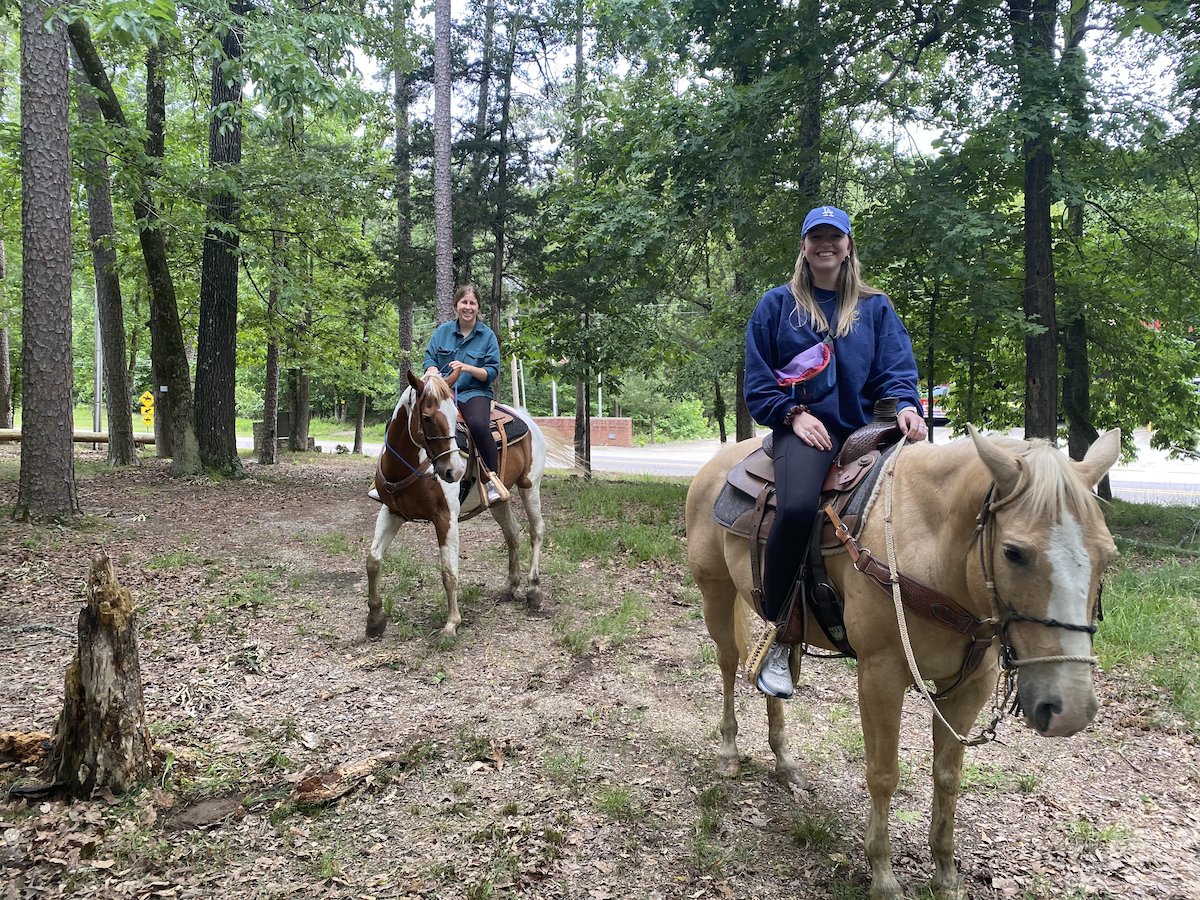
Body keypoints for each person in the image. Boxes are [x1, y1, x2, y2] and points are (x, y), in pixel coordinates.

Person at [744, 205, 927, 698]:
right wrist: (792, 415)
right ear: (803, 247)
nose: (826, 245)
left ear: (848, 246)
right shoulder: (777, 305)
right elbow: (759, 381)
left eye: (835, 237)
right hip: (801, 428)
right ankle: (779, 634)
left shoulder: (875, 307)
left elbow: (896, 370)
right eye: (816, 237)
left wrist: (907, 406)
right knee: (800, 507)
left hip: (866, 430)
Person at [423, 285, 504, 504]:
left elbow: (491, 372)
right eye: (464, 302)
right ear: (456, 305)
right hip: (443, 392)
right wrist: (430, 369)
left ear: (478, 307)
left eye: (472, 303)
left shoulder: (486, 336)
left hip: (474, 392)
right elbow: (430, 357)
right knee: (412, 416)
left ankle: (491, 480)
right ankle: (388, 479)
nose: (467, 307)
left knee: (478, 425)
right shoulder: (443, 332)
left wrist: (467, 367)